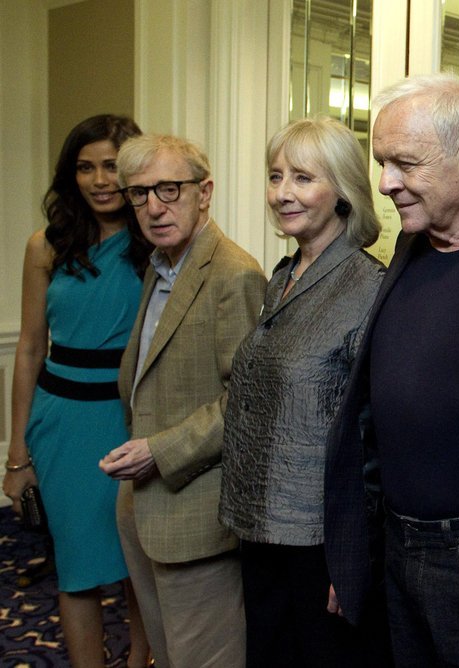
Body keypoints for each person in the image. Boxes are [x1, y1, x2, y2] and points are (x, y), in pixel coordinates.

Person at [323, 73, 459, 667]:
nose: (386, 183)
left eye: (405, 164)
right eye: (382, 164)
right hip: (396, 544)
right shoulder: (410, 248)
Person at [218, 116, 386, 667]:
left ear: (343, 190)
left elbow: (372, 436)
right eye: (275, 176)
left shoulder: (368, 286)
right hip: (261, 525)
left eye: (303, 178)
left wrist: (352, 556)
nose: (283, 193)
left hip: (320, 540)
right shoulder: (283, 275)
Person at [98, 133, 266, 668]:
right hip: (144, 507)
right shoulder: (160, 264)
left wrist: (158, 451)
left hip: (197, 512)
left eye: (169, 189)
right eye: (139, 193)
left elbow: (245, 402)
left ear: (204, 192)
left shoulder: (234, 274)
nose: (154, 207)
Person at [2, 114, 152, 668]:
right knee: (77, 566)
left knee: (140, 562)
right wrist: (17, 454)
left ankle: (141, 661)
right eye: (86, 168)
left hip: (131, 418)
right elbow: (28, 349)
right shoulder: (45, 246)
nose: (100, 180)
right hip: (61, 421)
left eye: (111, 166)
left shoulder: (155, 240)